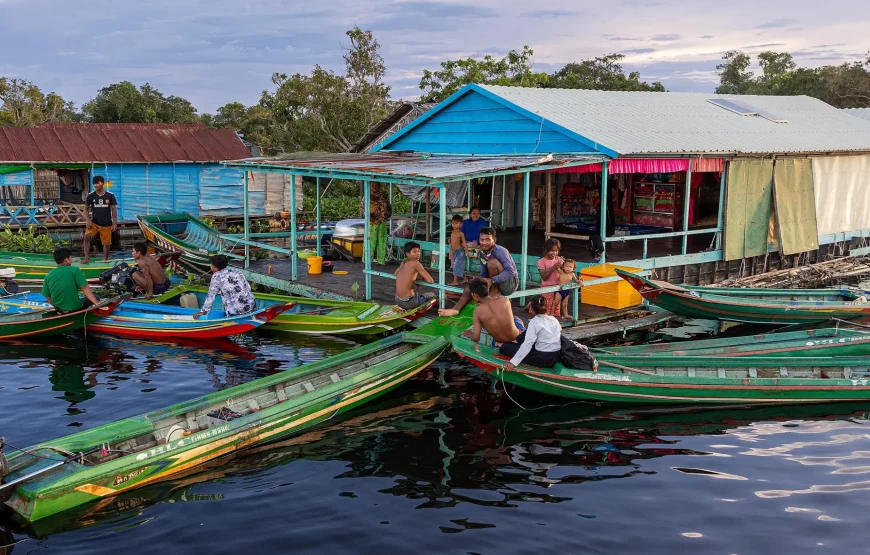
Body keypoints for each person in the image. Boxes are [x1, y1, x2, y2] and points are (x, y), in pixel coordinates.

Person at [438, 227, 518, 317]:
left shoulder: (501, 251)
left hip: (509, 284)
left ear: (494, 240)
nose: (484, 242)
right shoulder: (481, 253)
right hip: (493, 281)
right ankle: (456, 309)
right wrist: (480, 283)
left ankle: (494, 293)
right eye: (482, 240)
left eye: (487, 239)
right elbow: (484, 274)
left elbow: (510, 272)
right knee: (470, 287)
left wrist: (492, 280)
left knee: (492, 263)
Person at [499, 296, 562, 370]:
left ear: (532, 309)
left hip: (541, 359)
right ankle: (517, 341)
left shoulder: (534, 323)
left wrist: (512, 363)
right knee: (528, 334)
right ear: (547, 306)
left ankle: (512, 343)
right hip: (555, 356)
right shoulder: (554, 320)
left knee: (505, 347)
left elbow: (527, 345)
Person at [462, 278, 523, 346]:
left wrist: (470, 334)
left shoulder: (477, 312)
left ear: (475, 295)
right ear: (487, 289)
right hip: (518, 338)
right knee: (516, 319)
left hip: (502, 345)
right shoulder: (505, 300)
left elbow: (476, 338)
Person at [192, 255, 256, 320]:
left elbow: (211, 296)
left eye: (211, 264)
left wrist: (203, 311)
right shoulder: (237, 271)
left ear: (215, 267)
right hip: (251, 305)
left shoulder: (216, 276)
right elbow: (248, 287)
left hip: (236, 311)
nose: (210, 266)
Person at [42, 247, 101, 313]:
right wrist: (97, 303)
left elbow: (47, 296)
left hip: (60, 309)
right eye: (70, 258)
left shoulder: (48, 275)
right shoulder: (75, 270)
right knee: (96, 297)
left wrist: (57, 308)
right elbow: (85, 288)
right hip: (75, 308)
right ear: (66, 260)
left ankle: (61, 311)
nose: (71, 260)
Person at [83, 176, 117, 264]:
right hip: (94, 223)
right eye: (94, 183)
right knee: (86, 237)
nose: (95, 185)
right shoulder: (91, 195)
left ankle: (105, 259)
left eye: (97, 183)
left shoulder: (110, 195)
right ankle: (86, 258)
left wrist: (115, 223)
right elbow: (85, 208)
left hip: (106, 224)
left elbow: (113, 209)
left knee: (106, 244)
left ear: (102, 183)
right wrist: (88, 220)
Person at [394, 241, 435, 310]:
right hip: (409, 302)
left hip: (397, 300)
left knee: (421, 295)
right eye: (414, 252)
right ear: (407, 254)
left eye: (419, 251)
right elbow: (430, 281)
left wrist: (412, 277)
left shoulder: (403, 262)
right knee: (434, 295)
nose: (418, 254)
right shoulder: (415, 263)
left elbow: (395, 274)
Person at [361, 182, 392, 265]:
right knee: (370, 241)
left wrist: (385, 215)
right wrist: (368, 216)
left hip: (382, 222)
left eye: (376, 185)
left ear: (379, 186)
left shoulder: (384, 196)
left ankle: (381, 261)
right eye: (373, 185)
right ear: (370, 186)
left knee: (382, 241)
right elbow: (362, 209)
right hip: (371, 223)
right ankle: (367, 261)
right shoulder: (367, 196)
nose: (374, 187)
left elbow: (389, 208)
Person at [536, 238, 563, 317]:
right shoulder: (541, 261)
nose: (554, 253)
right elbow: (544, 277)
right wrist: (553, 268)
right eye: (552, 251)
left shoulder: (559, 259)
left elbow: (566, 272)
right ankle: (532, 305)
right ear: (546, 250)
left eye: (556, 251)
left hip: (557, 289)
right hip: (546, 289)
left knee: (556, 313)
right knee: (546, 312)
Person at [449, 214, 467, 285]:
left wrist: (467, 252)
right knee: (459, 265)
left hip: (460, 251)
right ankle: (465, 279)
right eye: (453, 223)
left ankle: (455, 281)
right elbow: (453, 240)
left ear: (461, 224)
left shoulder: (461, 233)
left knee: (456, 266)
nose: (454, 225)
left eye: (456, 223)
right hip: (454, 251)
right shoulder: (452, 232)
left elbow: (464, 243)